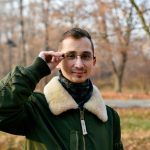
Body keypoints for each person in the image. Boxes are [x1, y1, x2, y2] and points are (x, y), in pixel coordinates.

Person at [0, 28, 124, 150]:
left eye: (85, 56)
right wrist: (37, 69)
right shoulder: (36, 108)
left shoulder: (110, 117)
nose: (79, 64)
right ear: (59, 61)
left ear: (93, 61)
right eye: (71, 56)